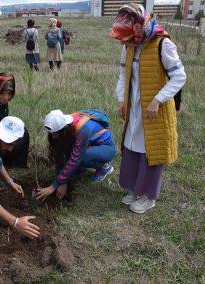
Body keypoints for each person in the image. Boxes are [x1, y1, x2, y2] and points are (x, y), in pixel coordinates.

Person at [110, 4, 186, 213]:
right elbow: (124, 75)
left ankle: (148, 196)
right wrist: (122, 99)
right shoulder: (130, 45)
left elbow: (179, 76)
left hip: (155, 110)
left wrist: (158, 100)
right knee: (133, 145)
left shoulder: (163, 44)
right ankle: (135, 189)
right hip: (135, 106)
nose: (125, 42)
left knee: (150, 150)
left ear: (139, 26)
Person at [35, 110, 116, 201]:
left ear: (63, 129)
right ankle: (80, 169)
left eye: (55, 134)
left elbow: (76, 158)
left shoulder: (82, 128)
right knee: (73, 156)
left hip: (106, 148)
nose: (53, 137)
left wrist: (53, 187)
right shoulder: (65, 125)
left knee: (81, 157)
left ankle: (105, 167)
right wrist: (62, 182)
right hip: (89, 146)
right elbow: (60, 154)